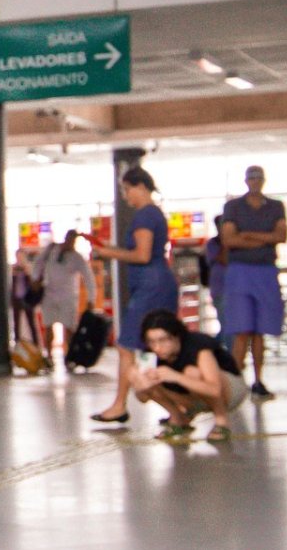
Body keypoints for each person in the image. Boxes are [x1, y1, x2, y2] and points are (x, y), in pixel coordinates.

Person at [90, 167, 179, 424]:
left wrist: (109, 253)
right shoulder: (154, 214)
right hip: (157, 283)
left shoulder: (145, 216)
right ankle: (175, 407)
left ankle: (119, 405)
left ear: (141, 186)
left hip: (151, 286)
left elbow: (142, 255)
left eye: (127, 189)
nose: (126, 195)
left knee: (126, 345)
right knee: (161, 346)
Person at [133, 309, 247, 443]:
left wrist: (176, 377)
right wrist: (142, 386)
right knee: (136, 373)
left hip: (230, 391)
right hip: (191, 396)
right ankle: (178, 419)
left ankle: (221, 420)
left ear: (176, 336)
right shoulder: (151, 354)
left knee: (192, 372)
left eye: (162, 340)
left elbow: (214, 389)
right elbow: (142, 398)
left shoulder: (198, 345)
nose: (157, 347)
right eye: (151, 342)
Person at [220, 166, 285, 399]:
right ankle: (236, 382)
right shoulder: (233, 207)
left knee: (259, 330)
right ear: (246, 181)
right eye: (252, 178)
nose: (255, 182)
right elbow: (229, 239)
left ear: (263, 181)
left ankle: (258, 380)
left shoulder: (275, 206)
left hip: (265, 272)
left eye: (259, 178)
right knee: (241, 329)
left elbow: (281, 236)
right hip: (240, 274)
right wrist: (264, 239)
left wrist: (248, 235)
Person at [34, 229, 97, 368]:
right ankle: (49, 356)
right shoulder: (52, 249)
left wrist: (91, 298)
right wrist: (35, 278)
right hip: (49, 294)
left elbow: (88, 277)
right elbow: (38, 262)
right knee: (48, 326)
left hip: (68, 297)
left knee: (69, 327)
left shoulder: (77, 258)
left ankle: (69, 357)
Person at [203, 215, 229, 351]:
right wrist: (225, 241)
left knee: (230, 325)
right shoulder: (212, 244)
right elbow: (223, 259)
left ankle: (212, 348)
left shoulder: (235, 244)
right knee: (225, 324)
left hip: (234, 289)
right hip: (219, 290)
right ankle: (215, 349)